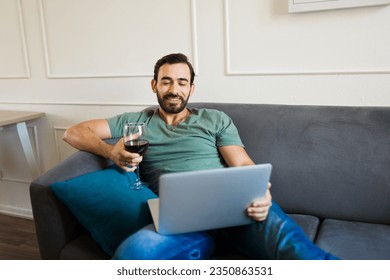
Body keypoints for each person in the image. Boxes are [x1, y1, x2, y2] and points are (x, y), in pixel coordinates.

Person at [63, 53, 339, 260]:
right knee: (134, 253)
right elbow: (74, 132)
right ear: (154, 85)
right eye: (166, 81)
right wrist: (111, 151)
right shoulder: (135, 120)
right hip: (179, 220)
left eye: (182, 82)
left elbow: (241, 163)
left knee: (302, 255)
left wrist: (260, 192)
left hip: (235, 207)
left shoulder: (215, 119)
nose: (174, 89)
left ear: (191, 88)